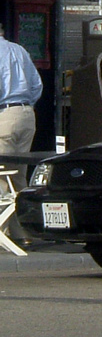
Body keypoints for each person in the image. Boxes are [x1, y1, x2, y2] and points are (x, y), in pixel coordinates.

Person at [0, 23, 43, 243]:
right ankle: (23, 232)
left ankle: (3, 234)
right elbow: (37, 85)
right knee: (18, 177)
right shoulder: (19, 50)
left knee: (1, 177)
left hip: (4, 114)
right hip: (26, 114)